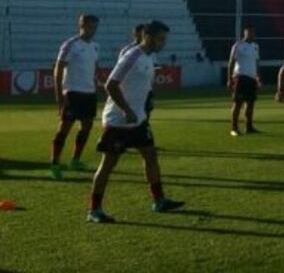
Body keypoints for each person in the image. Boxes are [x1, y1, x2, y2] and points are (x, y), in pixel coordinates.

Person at [87, 20, 184, 223]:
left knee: (151, 155)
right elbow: (110, 84)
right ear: (147, 37)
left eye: (164, 39)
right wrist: (126, 110)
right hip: (118, 121)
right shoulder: (132, 56)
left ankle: (159, 200)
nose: (163, 43)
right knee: (108, 164)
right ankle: (94, 210)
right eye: (160, 39)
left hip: (138, 120)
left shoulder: (149, 57)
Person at [50, 14, 101, 180]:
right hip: (72, 93)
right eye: (90, 27)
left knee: (86, 127)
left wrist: (100, 83)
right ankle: (55, 163)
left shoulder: (95, 46)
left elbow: (95, 67)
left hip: (89, 93)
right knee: (64, 128)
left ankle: (75, 160)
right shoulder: (70, 45)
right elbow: (58, 69)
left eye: (95, 27)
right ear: (82, 25)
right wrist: (59, 95)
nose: (93, 30)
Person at [228, 24, 261, 136]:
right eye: (249, 32)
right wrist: (229, 78)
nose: (252, 34)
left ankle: (249, 127)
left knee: (250, 103)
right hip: (240, 77)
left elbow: (256, 62)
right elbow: (231, 62)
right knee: (238, 103)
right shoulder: (238, 45)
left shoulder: (255, 46)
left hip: (252, 78)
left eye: (253, 32)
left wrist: (258, 77)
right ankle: (234, 128)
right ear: (245, 33)